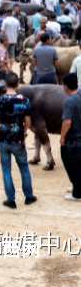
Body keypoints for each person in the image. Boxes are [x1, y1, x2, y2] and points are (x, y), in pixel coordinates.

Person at [0, 71, 36, 208]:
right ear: (18, 84)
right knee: (24, 168)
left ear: (4, 84)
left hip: (3, 141)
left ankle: (10, 200)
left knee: (6, 170)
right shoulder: (25, 100)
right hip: (18, 141)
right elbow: (28, 122)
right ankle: (28, 196)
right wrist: (24, 131)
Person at [62, 73, 81, 201]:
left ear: (65, 87)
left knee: (71, 165)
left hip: (73, 139)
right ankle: (77, 186)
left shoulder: (69, 101)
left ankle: (77, 193)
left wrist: (62, 137)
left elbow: (67, 121)